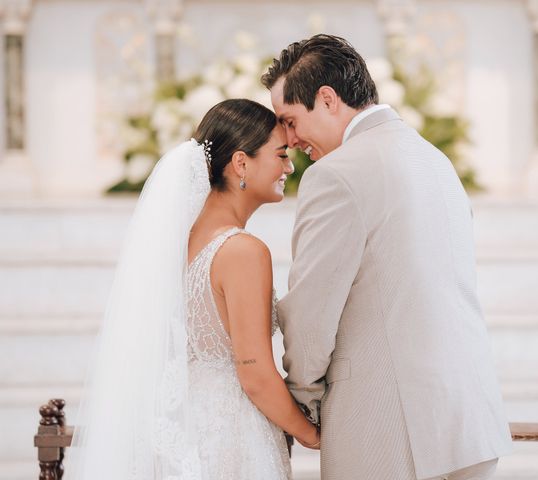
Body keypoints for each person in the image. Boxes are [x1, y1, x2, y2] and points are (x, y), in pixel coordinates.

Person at [262, 34, 513, 480]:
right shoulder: (435, 160)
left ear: (327, 98)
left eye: (291, 120)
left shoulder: (335, 176)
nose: (290, 138)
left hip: (390, 432)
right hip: (468, 420)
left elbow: (311, 312)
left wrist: (300, 400)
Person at [66, 99, 319, 480]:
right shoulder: (243, 251)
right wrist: (314, 435)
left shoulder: (179, 244)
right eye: (280, 154)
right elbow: (255, 376)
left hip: (182, 432)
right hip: (230, 438)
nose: (289, 166)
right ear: (241, 163)